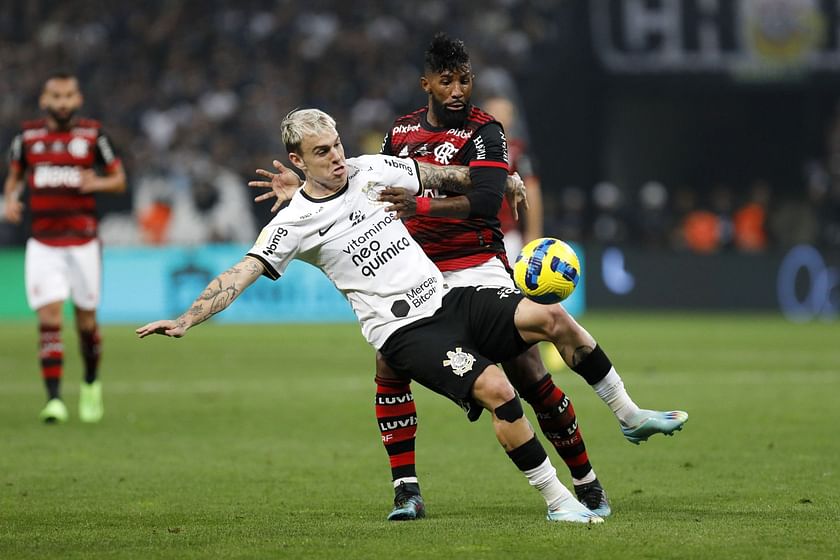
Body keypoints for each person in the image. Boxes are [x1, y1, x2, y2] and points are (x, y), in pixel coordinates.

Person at [250, 34, 688, 523]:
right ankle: (406, 491)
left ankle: (587, 482)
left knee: (531, 376)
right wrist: (303, 189)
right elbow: (358, 180)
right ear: (427, 85)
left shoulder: (486, 130)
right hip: (416, 270)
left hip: (478, 267)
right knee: (389, 360)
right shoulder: (401, 132)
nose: (458, 90)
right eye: (447, 81)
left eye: (465, 80)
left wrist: (431, 202)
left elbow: (483, 201)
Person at [138, 108, 605, 524]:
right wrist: (187, 317)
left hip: (447, 299)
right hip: (405, 329)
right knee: (499, 392)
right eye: (322, 152)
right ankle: (558, 500)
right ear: (299, 161)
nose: (337, 157)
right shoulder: (292, 223)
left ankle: (623, 412)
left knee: (547, 317)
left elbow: (439, 175)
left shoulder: (371, 169)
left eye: (337, 144)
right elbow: (241, 272)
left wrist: (498, 180)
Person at [2, 72, 126, 423]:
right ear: (44, 100)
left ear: (78, 99)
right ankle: (54, 400)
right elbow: (14, 177)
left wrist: (97, 182)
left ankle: (90, 383)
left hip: (83, 242)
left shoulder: (93, 136)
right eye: (55, 96)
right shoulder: (26, 138)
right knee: (49, 319)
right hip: (43, 243)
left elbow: (119, 180)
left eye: (68, 95)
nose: (61, 102)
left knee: (86, 323)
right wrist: (11, 199)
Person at [481, 95, 544, 261]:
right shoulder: (467, 150)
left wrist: (533, 235)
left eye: (503, 112)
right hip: (471, 234)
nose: (498, 117)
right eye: (493, 112)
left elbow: (532, 191)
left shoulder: (518, 153)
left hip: (506, 235)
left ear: (512, 119)